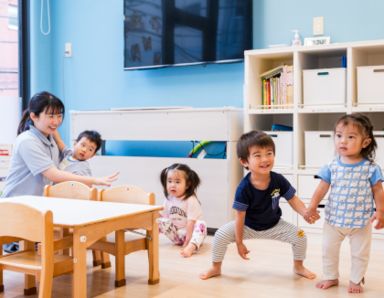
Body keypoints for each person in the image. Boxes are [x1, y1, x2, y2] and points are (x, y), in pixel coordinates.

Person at [200, 130, 319, 280]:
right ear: (244, 162)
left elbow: (293, 199)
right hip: (247, 226)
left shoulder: (278, 180)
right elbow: (240, 216)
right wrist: (239, 242)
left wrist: (306, 213)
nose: (265, 159)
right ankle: (215, 267)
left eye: (269, 153)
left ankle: (298, 266)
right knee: (220, 235)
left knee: (300, 236)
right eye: (257, 155)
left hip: (275, 225)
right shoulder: (243, 188)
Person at [305, 113, 384, 293]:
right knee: (328, 250)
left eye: (350, 137)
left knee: (360, 254)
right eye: (339, 135)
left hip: (360, 222)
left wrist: (381, 212)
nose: (343, 141)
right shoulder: (332, 166)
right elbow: (321, 189)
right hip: (334, 220)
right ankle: (331, 276)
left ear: (365, 142)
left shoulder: (371, 168)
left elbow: (378, 191)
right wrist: (311, 207)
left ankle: (356, 279)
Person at [1, 91, 118, 198]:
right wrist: (94, 180)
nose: (56, 121)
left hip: (36, 203)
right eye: (51, 116)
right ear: (34, 116)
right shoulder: (27, 141)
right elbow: (53, 174)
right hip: (16, 203)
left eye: (59, 116)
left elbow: (59, 140)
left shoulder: (50, 139)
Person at [158, 163, 207, 257]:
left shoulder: (190, 200)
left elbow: (191, 222)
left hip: (192, 234)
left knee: (202, 225)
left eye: (177, 182)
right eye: (169, 181)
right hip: (177, 236)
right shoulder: (169, 199)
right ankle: (150, 239)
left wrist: (188, 242)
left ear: (187, 185)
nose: (172, 185)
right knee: (160, 220)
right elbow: (162, 215)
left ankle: (192, 247)